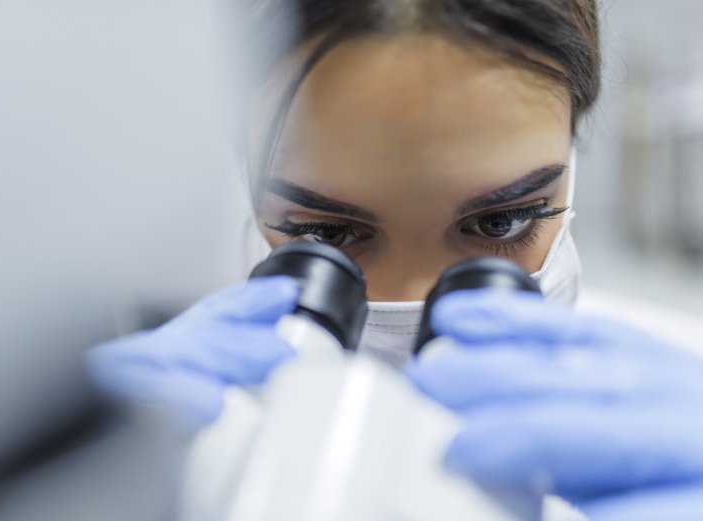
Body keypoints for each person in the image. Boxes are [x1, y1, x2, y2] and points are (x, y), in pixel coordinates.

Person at [88, 1, 703, 519]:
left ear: (573, 148)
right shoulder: (147, 434)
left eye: (501, 221)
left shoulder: (676, 424)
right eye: (326, 233)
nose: (422, 303)